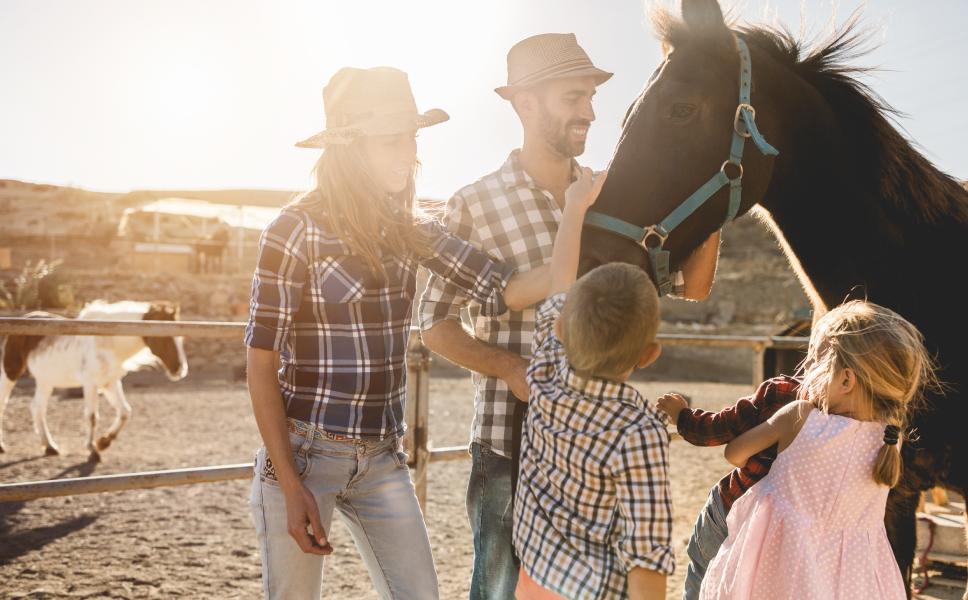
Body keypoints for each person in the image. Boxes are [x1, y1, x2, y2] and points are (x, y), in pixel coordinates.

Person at [418, 33, 719, 599]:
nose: (589, 111)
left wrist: (712, 193)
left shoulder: (616, 195)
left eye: (591, 97)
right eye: (572, 97)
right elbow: (433, 323)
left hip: (596, 452)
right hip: (507, 439)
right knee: (502, 589)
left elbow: (693, 285)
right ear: (525, 103)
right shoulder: (474, 202)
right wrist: (509, 368)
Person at [244, 66, 550, 600]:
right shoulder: (293, 231)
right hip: (304, 455)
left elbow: (501, 286)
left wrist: (576, 235)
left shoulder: (411, 229)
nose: (407, 153)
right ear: (350, 149)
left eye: (411, 138)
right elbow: (260, 361)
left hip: (383, 460)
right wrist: (290, 483)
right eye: (391, 140)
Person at [697, 300, 938, 599]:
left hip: (779, 564)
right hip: (847, 577)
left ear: (846, 379)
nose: (807, 367)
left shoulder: (799, 416)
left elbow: (734, 454)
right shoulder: (889, 439)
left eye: (815, 359)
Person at [513, 168, 674, 600]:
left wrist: (574, 206)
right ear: (648, 355)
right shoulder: (639, 432)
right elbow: (646, 556)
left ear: (561, 331)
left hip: (534, 580)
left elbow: (560, 280)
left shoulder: (544, 370)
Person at [656, 377, 799, 600]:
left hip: (736, 508)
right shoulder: (869, 424)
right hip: (792, 530)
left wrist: (683, 416)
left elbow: (721, 431)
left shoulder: (786, 394)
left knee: (702, 581)